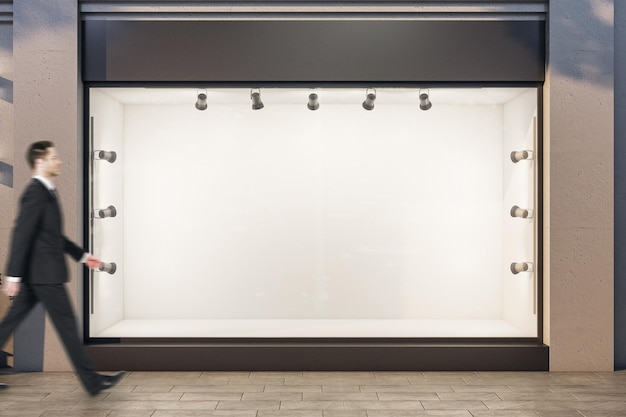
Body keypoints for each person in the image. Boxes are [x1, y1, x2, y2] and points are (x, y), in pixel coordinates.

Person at [0, 141, 125, 395]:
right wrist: (12, 276)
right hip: (44, 275)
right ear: (40, 162)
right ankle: (92, 383)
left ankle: (92, 382)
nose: (58, 161)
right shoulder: (35, 192)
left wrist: (84, 257)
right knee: (67, 327)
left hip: (39, 275)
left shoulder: (47, 192)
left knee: (8, 324)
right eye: (53, 157)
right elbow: (21, 233)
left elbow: (53, 237)